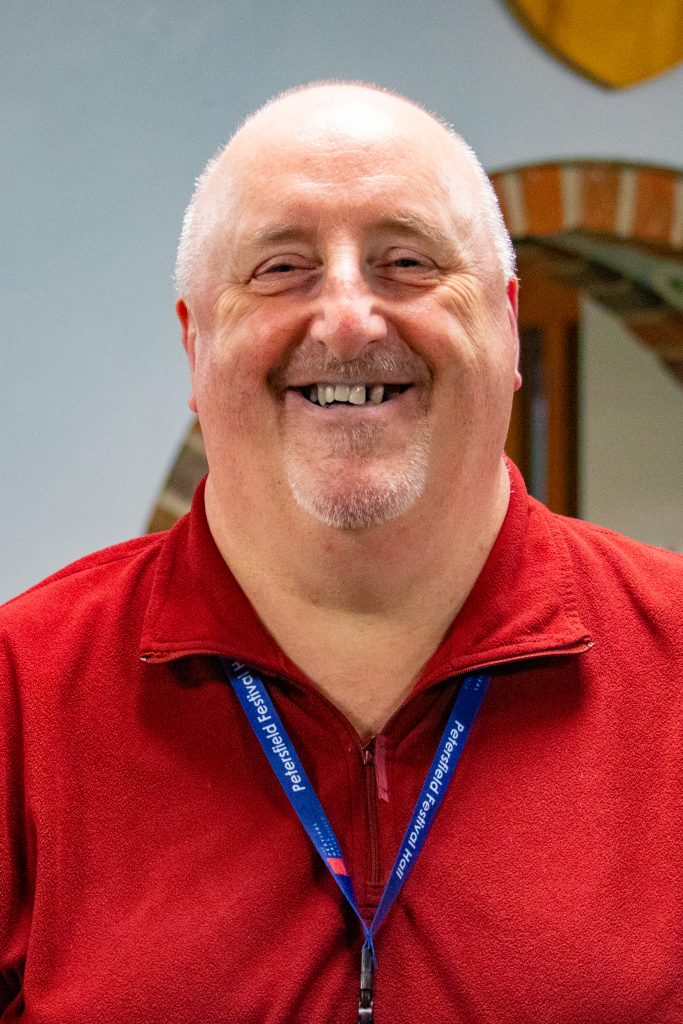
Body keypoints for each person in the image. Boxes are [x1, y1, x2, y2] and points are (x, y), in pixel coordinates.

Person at [1, 82, 682, 1024]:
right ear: (196, 343)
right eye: (282, 268)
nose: (350, 317)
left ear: (505, 322)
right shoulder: (22, 691)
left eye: (406, 262)